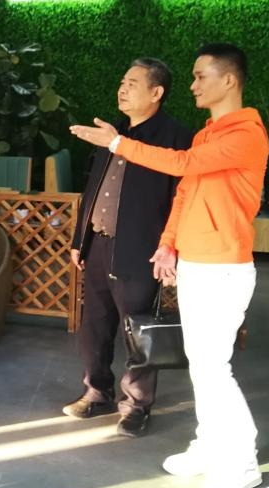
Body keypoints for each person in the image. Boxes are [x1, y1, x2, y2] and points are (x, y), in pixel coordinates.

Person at [69, 43, 269, 488]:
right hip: (195, 262)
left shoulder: (246, 133)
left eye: (200, 76)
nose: (193, 84)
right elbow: (185, 193)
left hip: (224, 267)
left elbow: (181, 165)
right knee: (202, 367)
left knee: (215, 370)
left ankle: (242, 463)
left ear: (229, 80)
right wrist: (168, 244)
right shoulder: (208, 133)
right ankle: (207, 445)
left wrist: (117, 143)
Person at [63, 59, 192, 438]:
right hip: (98, 244)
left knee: (139, 330)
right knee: (94, 325)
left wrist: (172, 248)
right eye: (122, 81)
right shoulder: (113, 131)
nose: (122, 88)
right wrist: (80, 240)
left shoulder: (174, 138)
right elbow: (93, 188)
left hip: (141, 250)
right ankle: (96, 391)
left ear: (156, 92)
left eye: (132, 83)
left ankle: (136, 405)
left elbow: (181, 199)